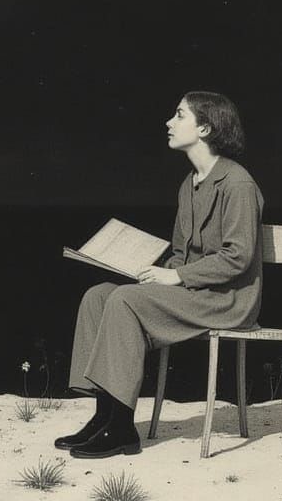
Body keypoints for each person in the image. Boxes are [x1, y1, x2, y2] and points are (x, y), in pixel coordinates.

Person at [55, 91, 264, 459]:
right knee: (99, 295)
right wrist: (154, 271)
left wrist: (177, 276)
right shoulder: (190, 183)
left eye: (179, 115)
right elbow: (181, 253)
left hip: (227, 300)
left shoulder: (237, 183)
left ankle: (122, 427)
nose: (169, 122)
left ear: (204, 128)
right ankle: (104, 415)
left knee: (124, 300)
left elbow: (238, 257)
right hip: (194, 292)